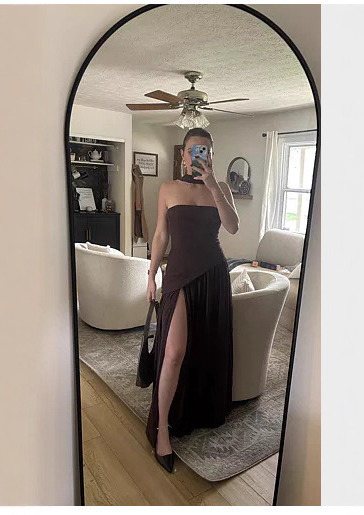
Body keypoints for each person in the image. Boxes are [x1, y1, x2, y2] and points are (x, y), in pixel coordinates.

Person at [144, 128, 240, 473]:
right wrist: (151, 274)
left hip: (214, 274)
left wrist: (213, 185)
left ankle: (197, 411)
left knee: (207, 347)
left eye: (207, 151)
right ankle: (162, 430)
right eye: (194, 150)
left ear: (212, 156)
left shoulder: (221, 187)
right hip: (179, 275)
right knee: (173, 353)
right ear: (183, 155)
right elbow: (161, 234)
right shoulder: (168, 188)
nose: (201, 155)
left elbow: (233, 227)